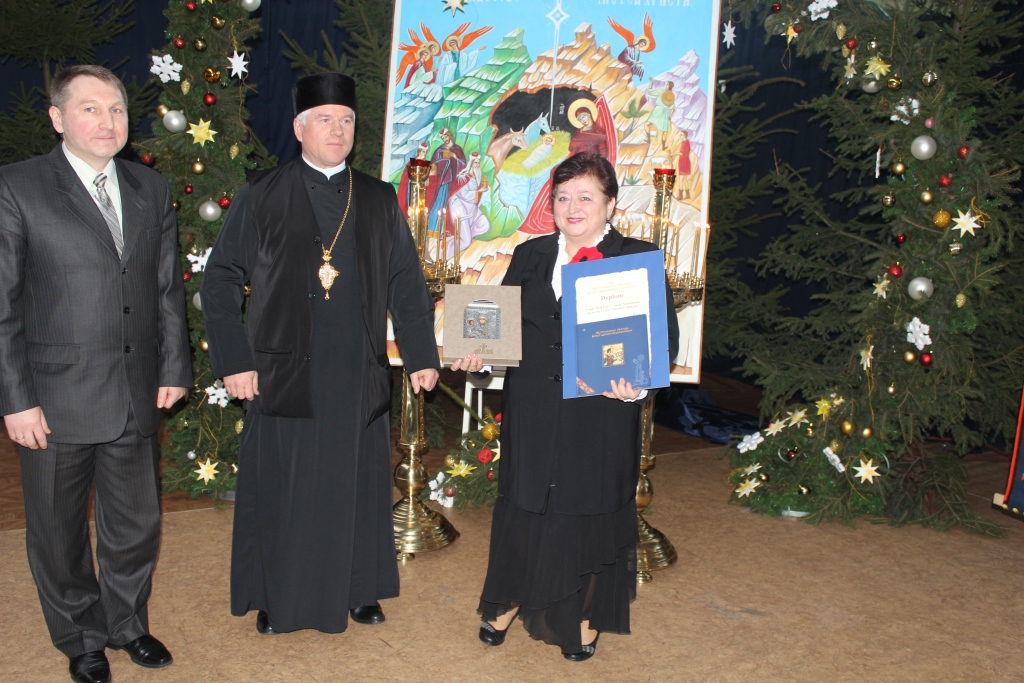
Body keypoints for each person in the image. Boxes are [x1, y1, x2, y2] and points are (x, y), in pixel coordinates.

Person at [200, 72, 452, 637]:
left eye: (346, 121)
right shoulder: (261, 193)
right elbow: (220, 280)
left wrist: (421, 354)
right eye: (324, 120)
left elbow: (406, 282)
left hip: (356, 369)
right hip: (281, 369)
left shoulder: (378, 198)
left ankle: (358, 589)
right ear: (299, 128)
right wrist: (234, 360)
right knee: (287, 489)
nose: (337, 131)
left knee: (354, 487)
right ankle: (277, 596)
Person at [0, 65, 191, 683]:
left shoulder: (149, 187)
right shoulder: (17, 187)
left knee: (136, 526)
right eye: (90, 109)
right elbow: (3, 304)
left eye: (116, 109)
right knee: (57, 534)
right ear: (58, 118)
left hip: (136, 390)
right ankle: (81, 636)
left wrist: (173, 364)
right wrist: (15, 399)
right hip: (53, 398)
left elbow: (165, 287)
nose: (107, 121)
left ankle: (127, 623)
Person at [475, 153, 679, 661]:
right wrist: (478, 353)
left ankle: (585, 612)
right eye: (563, 197)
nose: (573, 207)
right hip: (532, 408)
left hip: (600, 412)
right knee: (525, 502)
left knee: (587, 509)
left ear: (610, 204)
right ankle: (510, 597)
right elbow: (503, 329)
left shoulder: (635, 258)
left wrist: (637, 385)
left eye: (586, 197)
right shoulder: (531, 254)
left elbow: (662, 342)